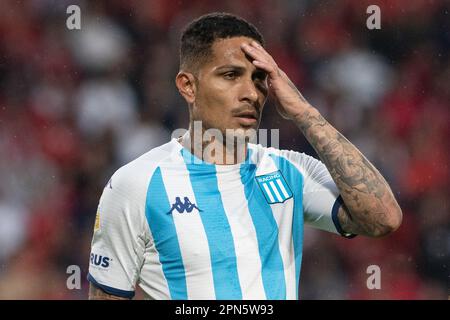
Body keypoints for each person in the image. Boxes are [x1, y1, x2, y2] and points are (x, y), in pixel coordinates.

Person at [88, 12, 402, 300]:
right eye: (230, 75)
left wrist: (305, 112)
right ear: (188, 86)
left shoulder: (289, 171)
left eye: (258, 78)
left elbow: (383, 219)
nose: (251, 93)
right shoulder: (136, 184)